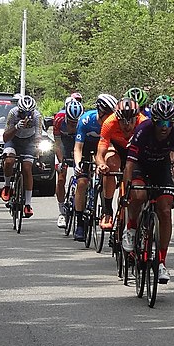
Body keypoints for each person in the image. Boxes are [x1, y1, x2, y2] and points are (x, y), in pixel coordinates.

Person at [121, 98, 174, 284]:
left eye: (168, 123)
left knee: (165, 211)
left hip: (161, 168)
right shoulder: (143, 130)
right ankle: (131, 227)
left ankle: (161, 262)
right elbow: (129, 164)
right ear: (154, 121)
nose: (164, 127)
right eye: (160, 123)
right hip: (140, 165)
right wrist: (127, 191)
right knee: (139, 195)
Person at [72, 93, 118, 241]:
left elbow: (111, 147)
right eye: (109, 114)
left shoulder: (112, 123)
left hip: (103, 147)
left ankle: (106, 208)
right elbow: (78, 148)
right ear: (100, 112)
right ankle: (79, 223)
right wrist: (79, 163)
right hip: (86, 147)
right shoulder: (86, 120)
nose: (112, 117)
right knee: (82, 182)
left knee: (107, 173)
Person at [95, 97, 146, 229]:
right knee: (110, 163)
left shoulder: (144, 123)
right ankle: (107, 211)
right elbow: (100, 151)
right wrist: (101, 164)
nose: (127, 126)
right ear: (117, 118)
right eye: (122, 121)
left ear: (137, 118)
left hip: (135, 151)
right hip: (117, 148)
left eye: (131, 121)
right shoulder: (109, 122)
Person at [0, 95, 43, 218]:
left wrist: (39, 152)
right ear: (19, 110)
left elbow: (38, 136)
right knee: (9, 161)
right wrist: (16, 127)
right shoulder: (13, 113)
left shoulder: (37, 116)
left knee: (27, 168)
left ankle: (28, 204)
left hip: (28, 142)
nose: (26, 115)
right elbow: (5, 137)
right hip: (13, 140)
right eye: (23, 113)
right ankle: (7, 186)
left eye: (29, 113)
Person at [53, 98, 84, 228]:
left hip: (79, 142)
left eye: (75, 122)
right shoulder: (59, 120)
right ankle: (61, 212)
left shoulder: (83, 122)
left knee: (84, 176)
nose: (73, 125)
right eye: (71, 122)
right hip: (64, 143)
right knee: (61, 178)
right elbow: (57, 144)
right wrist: (61, 162)